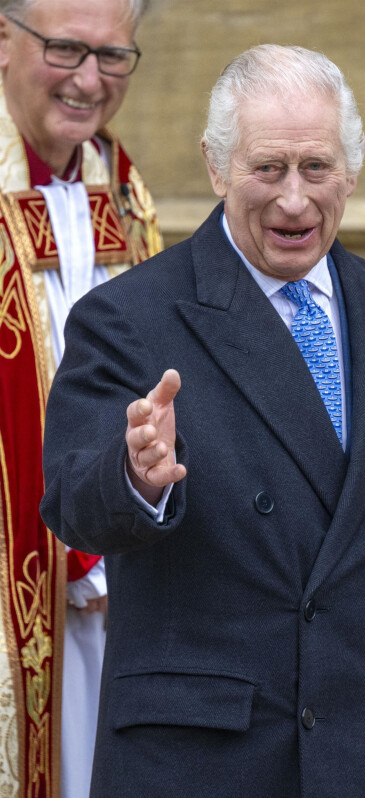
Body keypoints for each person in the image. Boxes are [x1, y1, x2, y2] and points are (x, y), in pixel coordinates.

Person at [40, 44, 365, 798]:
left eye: (317, 168)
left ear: (353, 170)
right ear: (216, 167)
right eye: (267, 168)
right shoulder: (128, 316)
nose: (295, 200)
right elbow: (73, 505)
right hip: (210, 762)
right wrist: (135, 475)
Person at [0, 0, 161, 794]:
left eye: (114, 56)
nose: (90, 81)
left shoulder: (122, 185)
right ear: (2, 38)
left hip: (109, 580)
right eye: (66, 50)